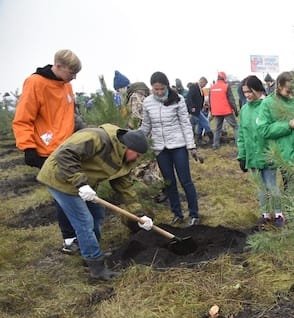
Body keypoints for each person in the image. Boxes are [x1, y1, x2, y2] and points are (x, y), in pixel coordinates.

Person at [36, 124, 152, 281]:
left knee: (97, 214)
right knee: (84, 221)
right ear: (126, 147)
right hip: (60, 178)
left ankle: (89, 252)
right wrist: (81, 184)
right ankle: (96, 267)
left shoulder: (123, 158)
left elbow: (125, 187)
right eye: (137, 155)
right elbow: (64, 155)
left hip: (82, 183)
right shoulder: (97, 138)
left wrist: (140, 215)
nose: (137, 159)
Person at [13, 49, 84, 254]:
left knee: (74, 192)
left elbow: (72, 116)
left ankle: (77, 235)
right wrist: (28, 147)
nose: (74, 77)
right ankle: (70, 239)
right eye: (72, 72)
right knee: (63, 196)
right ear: (58, 66)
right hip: (47, 150)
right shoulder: (35, 83)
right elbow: (23, 118)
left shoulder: (67, 85)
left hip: (68, 148)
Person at [140, 71, 203, 226]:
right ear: (152, 88)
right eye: (156, 89)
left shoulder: (178, 100)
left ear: (167, 86)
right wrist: (137, 142)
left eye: (162, 89)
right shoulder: (147, 103)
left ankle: (194, 214)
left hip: (178, 146)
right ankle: (177, 213)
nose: (160, 92)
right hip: (160, 148)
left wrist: (191, 146)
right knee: (169, 182)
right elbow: (146, 126)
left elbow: (185, 124)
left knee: (185, 180)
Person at [257, 71, 294, 221]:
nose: (291, 95)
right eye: (288, 91)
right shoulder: (268, 103)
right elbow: (263, 129)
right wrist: (287, 125)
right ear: (278, 86)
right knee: (292, 187)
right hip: (286, 153)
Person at [236, 75, 286, 228]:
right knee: (260, 186)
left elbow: (277, 130)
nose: (247, 95)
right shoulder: (244, 110)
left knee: (271, 185)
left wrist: (276, 152)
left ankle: (279, 214)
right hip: (252, 156)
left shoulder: (268, 106)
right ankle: (265, 214)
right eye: (244, 92)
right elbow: (242, 135)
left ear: (257, 89)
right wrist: (242, 156)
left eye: (249, 91)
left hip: (268, 154)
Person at [209, 71, 239, 149]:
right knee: (236, 126)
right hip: (226, 110)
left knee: (217, 128)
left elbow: (210, 100)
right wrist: (235, 110)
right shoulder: (226, 86)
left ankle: (215, 145)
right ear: (224, 78)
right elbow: (231, 99)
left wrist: (211, 111)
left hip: (216, 111)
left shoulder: (212, 87)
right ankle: (238, 143)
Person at [185, 76, 212, 145]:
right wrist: (191, 107)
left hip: (198, 109)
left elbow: (198, 99)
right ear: (201, 81)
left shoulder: (200, 89)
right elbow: (189, 98)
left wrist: (203, 105)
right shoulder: (194, 88)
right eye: (205, 84)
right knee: (205, 122)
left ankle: (198, 139)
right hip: (195, 110)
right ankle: (212, 137)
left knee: (200, 124)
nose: (205, 86)